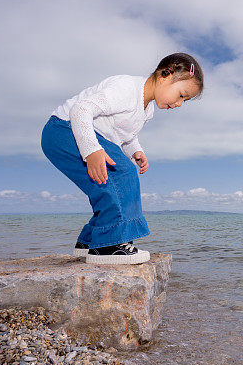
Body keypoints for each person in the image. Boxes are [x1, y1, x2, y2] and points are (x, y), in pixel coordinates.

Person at [41, 53, 203, 265]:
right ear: (165, 74)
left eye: (185, 100)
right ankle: (109, 245)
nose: (180, 104)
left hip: (83, 134)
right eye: (181, 95)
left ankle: (90, 243)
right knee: (123, 174)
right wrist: (91, 150)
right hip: (64, 129)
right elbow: (81, 110)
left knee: (104, 186)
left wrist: (136, 150)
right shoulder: (127, 89)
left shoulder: (147, 109)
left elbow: (124, 133)